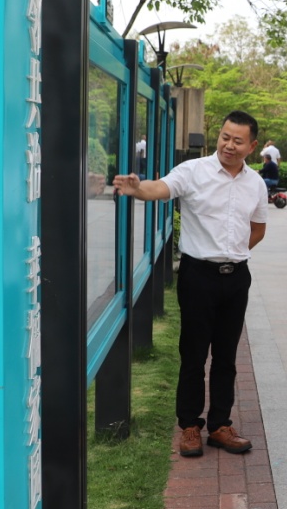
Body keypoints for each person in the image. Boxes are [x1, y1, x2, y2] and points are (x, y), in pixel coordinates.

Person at [112, 110, 268, 458]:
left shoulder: (255, 183)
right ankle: (190, 426)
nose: (229, 145)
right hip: (198, 276)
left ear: (252, 146)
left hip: (236, 277)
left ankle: (220, 425)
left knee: (227, 356)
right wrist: (139, 189)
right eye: (225, 137)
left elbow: (257, 228)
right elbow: (161, 188)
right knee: (194, 353)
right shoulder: (193, 171)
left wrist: (231, 253)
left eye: (237, 140)